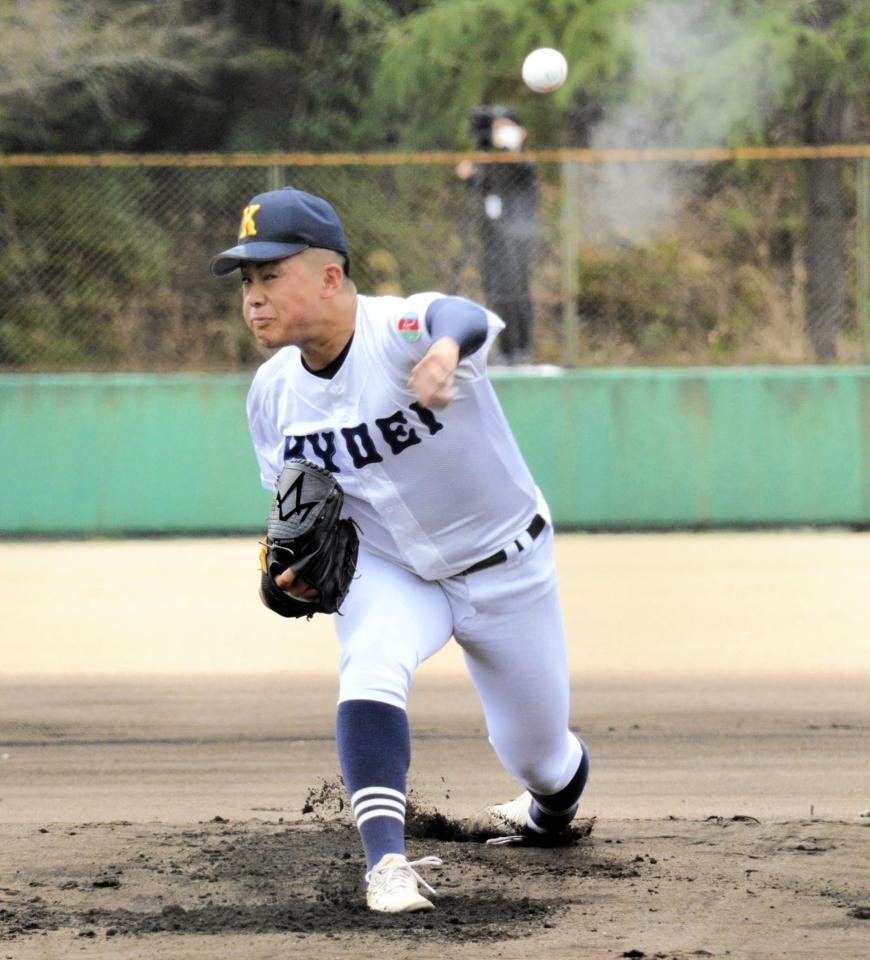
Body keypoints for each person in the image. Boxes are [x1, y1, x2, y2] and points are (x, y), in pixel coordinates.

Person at [210, 186, 589, 914]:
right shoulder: (271, 393)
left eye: (269, 275)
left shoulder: (401, 331)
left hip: (504, 566)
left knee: (538, 755)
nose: (253, 297)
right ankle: (386, 865)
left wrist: (445, 352)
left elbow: (463, 316)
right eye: (247, 282)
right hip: (393, 569)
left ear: (329, 277)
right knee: (370, 663)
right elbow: (294, 504)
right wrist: (282, 575)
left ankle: (549, 806)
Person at [456, 105, 539, 364]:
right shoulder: (493, 164)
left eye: (506, 127)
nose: (500, 133)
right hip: (492, 236)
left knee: (517, 290)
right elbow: (481, 183)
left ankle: (522, 349)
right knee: (494, 290)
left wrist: (510, 148)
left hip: (517, 237)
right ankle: (503, 350)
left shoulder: (523, 162)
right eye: (497, 127)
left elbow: (517, 172)